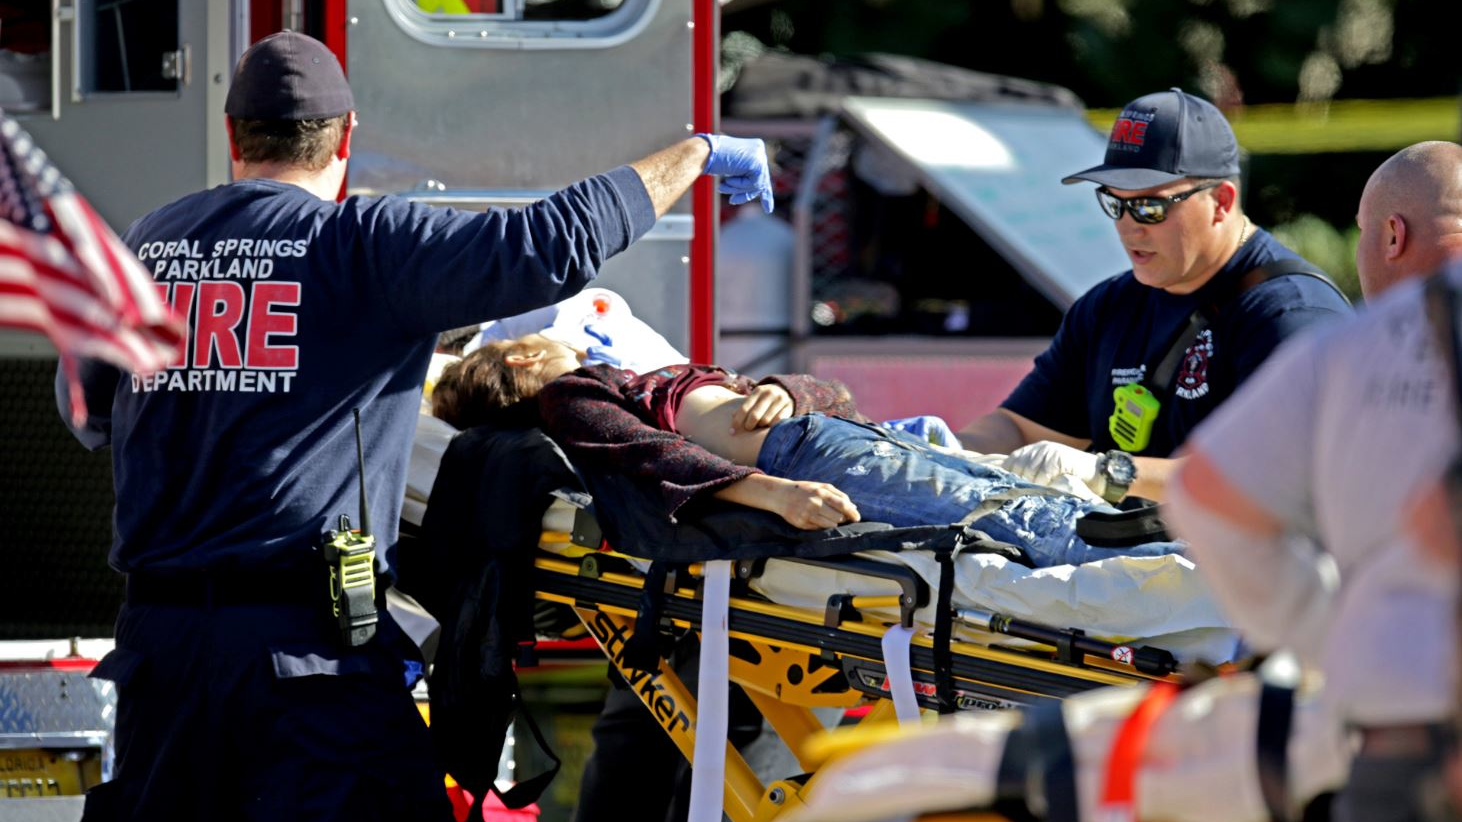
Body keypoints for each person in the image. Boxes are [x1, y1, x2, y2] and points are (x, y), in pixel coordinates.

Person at [56, 31, 774, 822]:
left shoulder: (152, 242)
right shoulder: (359, 245)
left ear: (232, 135)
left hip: (161, 658)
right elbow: (545, 244)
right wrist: (697, 153)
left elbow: (82, 409)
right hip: (306, 666)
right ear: (346, 136)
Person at [1166, 140, 1462, 822]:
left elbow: (1204, 493)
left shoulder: (1348, 354)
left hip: (1402, 744)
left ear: (1391, 236)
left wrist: (1327, 632)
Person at [430, 334, 1183, 568]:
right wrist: (773, 493)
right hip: (810, 462)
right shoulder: (572, 396)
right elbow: (653, 455)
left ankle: (1167, 544)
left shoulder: (629, 382)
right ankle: (1175, 564)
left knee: (1021, 503)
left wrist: (788, 389)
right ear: (524, 366)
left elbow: (833, 397)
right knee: (1007, 517)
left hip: (832, 437)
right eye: (529, 341)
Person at [957, 87, 1351, 503]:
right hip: (1130, 563)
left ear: (1221, 201)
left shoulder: (1291, 314)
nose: (1128, 227)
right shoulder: (1107, 308)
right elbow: (1019, 427)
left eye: (1150, 207)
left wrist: (1110, 473)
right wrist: (949, 450)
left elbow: (1273, 476)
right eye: (1115, 203)